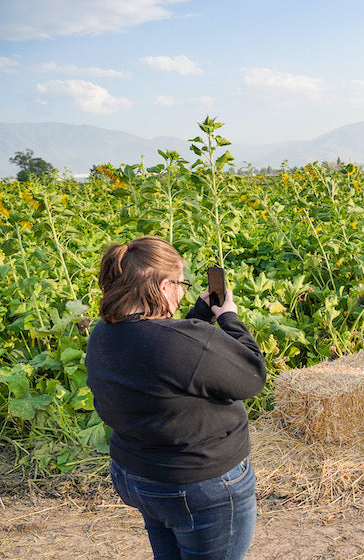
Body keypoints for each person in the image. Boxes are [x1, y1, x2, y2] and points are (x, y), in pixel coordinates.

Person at [85, 236, 267, 559]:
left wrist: (200, 312)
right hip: (199, 484)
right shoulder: (180, 343)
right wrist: (229, 318)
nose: (182, 293)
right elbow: (252, 375)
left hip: (138, 476)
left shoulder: (102, 336)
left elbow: (166, 357)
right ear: (163, 286)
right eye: (180, 284)